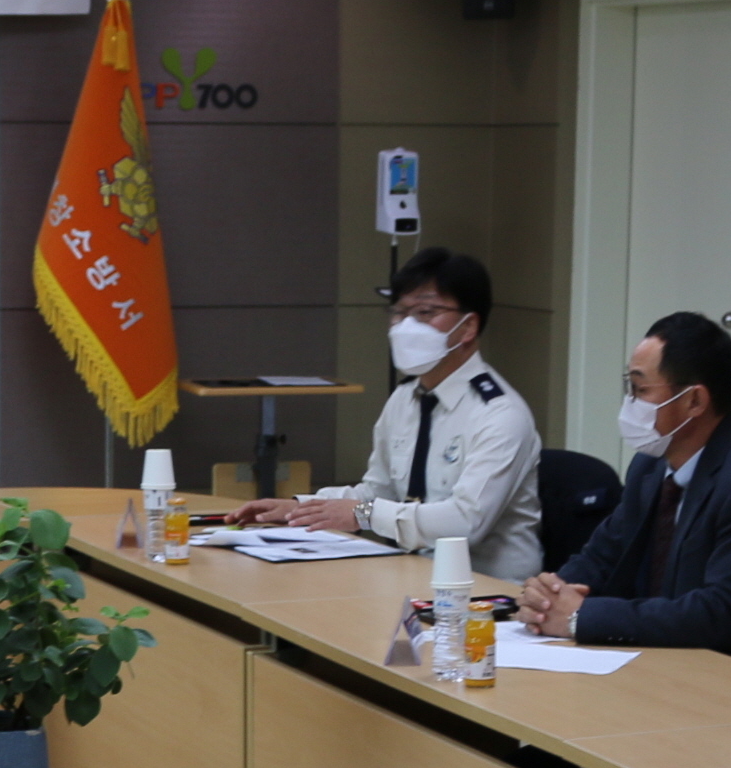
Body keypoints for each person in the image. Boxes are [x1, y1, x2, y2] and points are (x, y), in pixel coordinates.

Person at [517, 310, 731, 679]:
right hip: (673, 666)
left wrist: (581, 617)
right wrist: (549, 597)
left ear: (694, 401)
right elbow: (603, 556)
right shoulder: (649, 467)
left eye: (641, 390)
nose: (630, 402)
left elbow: (719, 612)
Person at [224, 247, 542, 576]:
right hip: (409, 574)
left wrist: (363, 514)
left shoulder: (500, 414)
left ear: (468, 326)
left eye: (425, 312)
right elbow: (378, 491)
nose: (406, 326)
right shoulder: (405, 398)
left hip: (487, 591)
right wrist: (301, 507)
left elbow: (465, 522)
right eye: (399, 313)